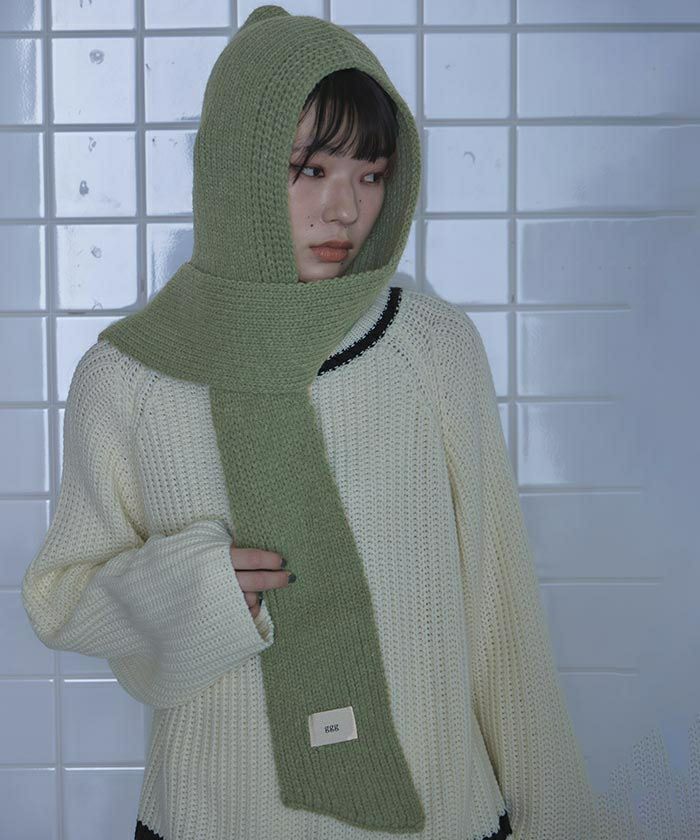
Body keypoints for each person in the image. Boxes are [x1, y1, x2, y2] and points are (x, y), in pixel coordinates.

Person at [21, 6, 600, 840]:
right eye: (310, 169)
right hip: (215, 818)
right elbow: (62, 597)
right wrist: (199, 588)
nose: (345, 209)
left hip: (436, 816)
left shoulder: (432, 349)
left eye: (371, 173)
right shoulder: (129, 378)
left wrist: (559, 821)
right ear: (237, 169)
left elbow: (501, 614)